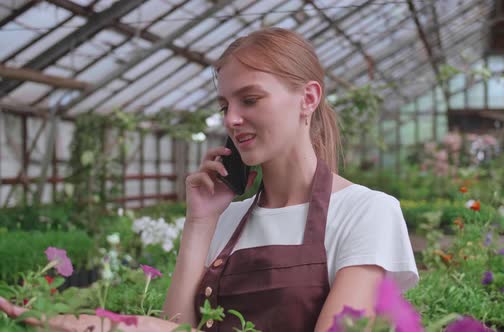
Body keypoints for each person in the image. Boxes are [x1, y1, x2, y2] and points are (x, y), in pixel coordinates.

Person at [0, 27, 418, 332]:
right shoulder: (227, 218)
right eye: (225, 104)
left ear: (308, 98)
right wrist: (199, 221)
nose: (232, 119)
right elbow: (178, 328)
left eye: (250, 99)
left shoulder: (367, 212)